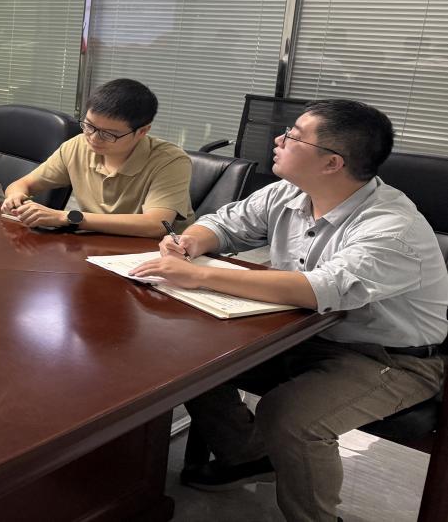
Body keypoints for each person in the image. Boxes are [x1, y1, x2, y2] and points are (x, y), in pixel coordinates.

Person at [130, 99, 448, 522]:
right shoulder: (292, 191)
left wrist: (200, 275)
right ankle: (247, 457)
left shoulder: (392, 227)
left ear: (332, 163)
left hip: (390, 359)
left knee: (290, 418)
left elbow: (318, 289)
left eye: (293, 135)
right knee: (189, 359)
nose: (278, 140)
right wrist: (191, 242)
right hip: (304, 332)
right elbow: (226, 223)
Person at [1, 78, 194, 236]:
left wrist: (67, 217)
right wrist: (16, 197)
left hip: (155, 253)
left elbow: (155, 225)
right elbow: (22, 184)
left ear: (142, 131)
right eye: (89, 126)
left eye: (109, 134)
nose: (93, 138)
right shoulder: (78, 145)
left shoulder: (170, 161)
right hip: (95, 246)